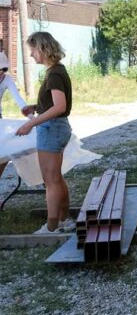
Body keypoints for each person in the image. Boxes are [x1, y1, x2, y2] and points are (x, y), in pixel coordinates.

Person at [16, 32, 74, 234]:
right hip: (56, 127)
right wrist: (35, 107)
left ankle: (51, 227)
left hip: (52, 128)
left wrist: (31, 124)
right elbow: (54, 104)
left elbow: (60, 106)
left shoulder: (54, 74)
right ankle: (65, 219)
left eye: (32, 50)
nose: (31, 55)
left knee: (50, 181)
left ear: (43, 48)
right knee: (56, 178)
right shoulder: (56, 71)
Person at [0, 52, 28, 179]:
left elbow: (18, 99)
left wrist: (32, 118)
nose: (1, 72)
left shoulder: (6, 78)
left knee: (4, 153)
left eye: (4, 69)